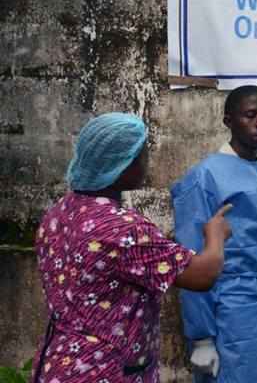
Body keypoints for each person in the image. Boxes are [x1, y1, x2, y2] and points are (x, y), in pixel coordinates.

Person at [32, 113, 231, 383]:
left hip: (60, 363)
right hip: (104, 371)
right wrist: (215, 235)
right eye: (142, 155)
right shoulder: (124, 230)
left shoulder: (59, 213)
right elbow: (202, 275)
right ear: (122, 165)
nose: (147, 162)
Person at [171, 86, 257, 383]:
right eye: (250, 115)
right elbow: (192, 259)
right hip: (231, 312)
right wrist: (201, 337)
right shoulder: (205, 177)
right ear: (228, 120)